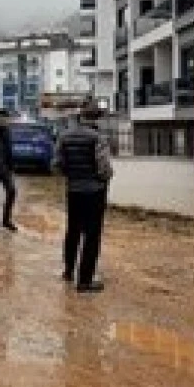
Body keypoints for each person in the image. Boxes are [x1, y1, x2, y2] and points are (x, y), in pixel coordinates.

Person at [52, 102, 113, 294]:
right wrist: (104, 178)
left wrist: (71, 176)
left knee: (73, 231)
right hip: (94, 192)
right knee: (92, 235)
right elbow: (104, 168)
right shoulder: (98, 138)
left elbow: (56, 165)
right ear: (96, 119)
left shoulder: (64, 136)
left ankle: (69, 271)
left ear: (80, 118)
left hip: (73, 191)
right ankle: (85, 280)